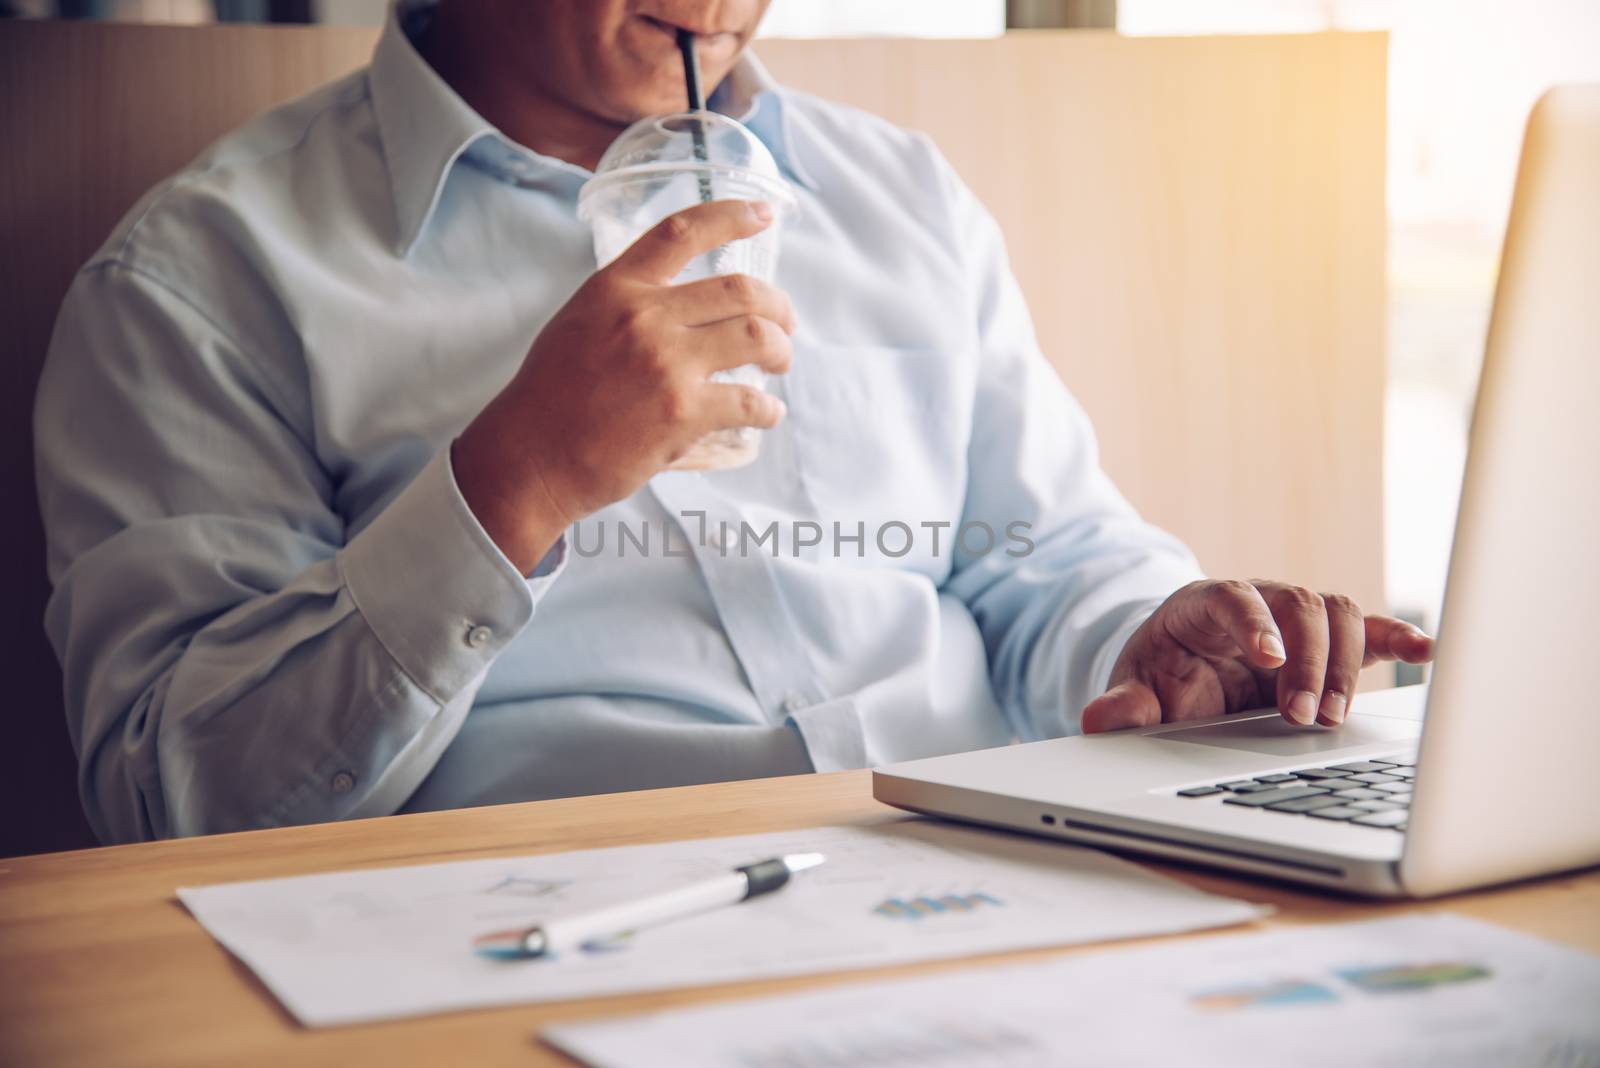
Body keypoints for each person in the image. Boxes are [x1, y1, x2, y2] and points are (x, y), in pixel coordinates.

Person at [34, 0, 1433, 844]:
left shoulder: (898, 194)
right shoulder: (204, 278)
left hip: (980, 873)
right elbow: (173, 802)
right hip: (539, 928)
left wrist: (1149, 631)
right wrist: (509, 484)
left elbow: (1044, 555)